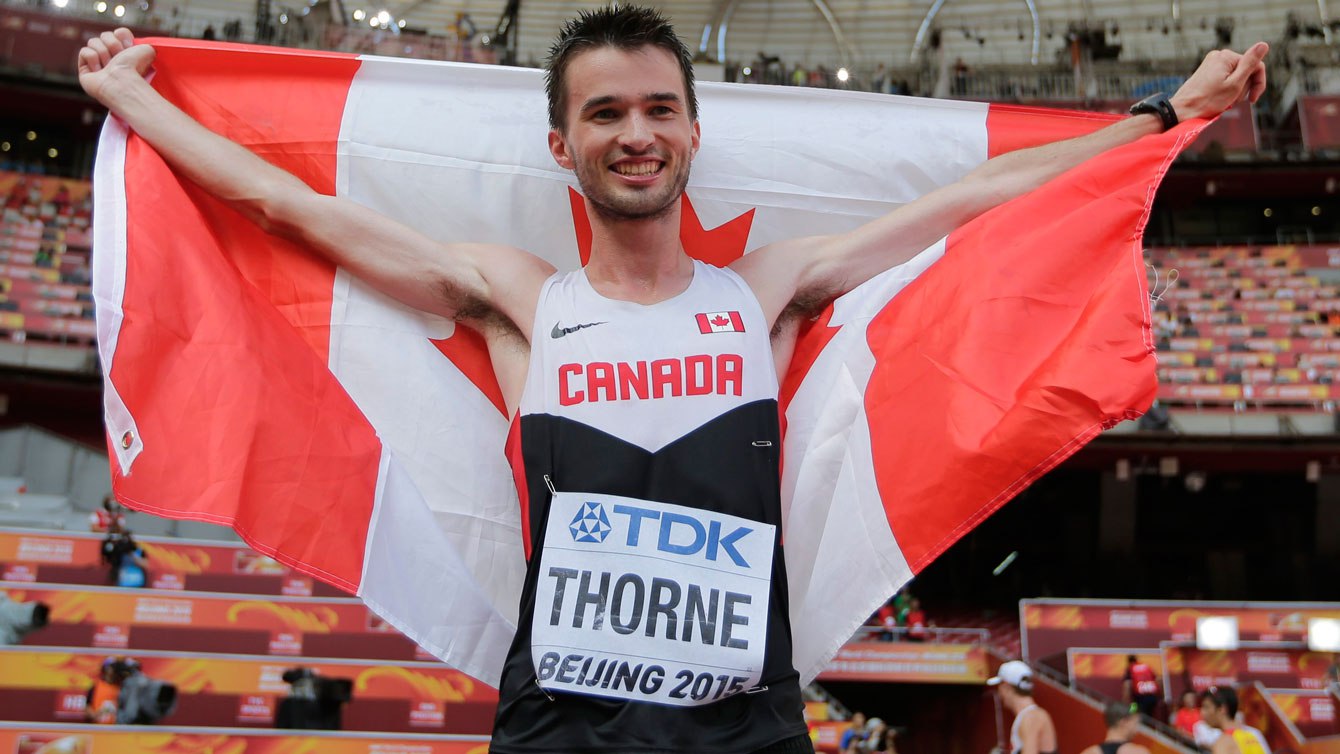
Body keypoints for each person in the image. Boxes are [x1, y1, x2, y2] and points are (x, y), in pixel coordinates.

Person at [76, 8, 1268, 753]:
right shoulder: (521, 300)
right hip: (561, 721)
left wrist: (1162, 115)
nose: (634, 132)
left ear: (693, 133)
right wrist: (132, 99)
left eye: (657, 109)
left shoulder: (767, 290)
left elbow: (973, 199)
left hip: (743, 722)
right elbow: (287, 206)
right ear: (563, 147)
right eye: (604, 113)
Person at [989, 661, 1057, 754]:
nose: (999, 692)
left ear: (1006, 687)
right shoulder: (1029, 716)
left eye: (999, 686)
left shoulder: (1031, 717)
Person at [1200, 686, 1271, 754]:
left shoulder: (1223, 744)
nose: (1202, 712)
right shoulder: (1253, 734)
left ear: (1222, 709)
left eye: (1206, 707)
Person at [1080, 703, 1151, 754]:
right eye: (1135, 723)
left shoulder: (1089, 752)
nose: (1137, 729)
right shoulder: (1138, 752)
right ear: (1124, 722)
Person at [85, 658, 123, 724]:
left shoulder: (121, 687)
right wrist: (94, 715)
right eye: (111, 667)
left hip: (116, 726)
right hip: (98, 725)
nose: (113, 670)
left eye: (115, 668)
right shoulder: (96, 686)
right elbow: (87, 705)